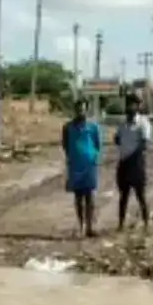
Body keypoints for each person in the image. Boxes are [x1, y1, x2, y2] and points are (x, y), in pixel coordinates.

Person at [61, 99, 102, 238]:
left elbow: (97, 144)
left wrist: (94, 156)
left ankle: (90, 226)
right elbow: (65, 144)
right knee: (78, 197)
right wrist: (73, 157)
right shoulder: (68, 127)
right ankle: (81, 226)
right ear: (75, 110)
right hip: (75, 166)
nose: (81, 112)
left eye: (83, 109)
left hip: (89, 165)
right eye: (79, 109)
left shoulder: (93, 127)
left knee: (90, 197)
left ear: (87, 110)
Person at [114, 95, 153, 231]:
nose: (130, 107)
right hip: (124, 163)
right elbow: (117, 139)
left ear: (138, 106)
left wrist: (131, 153)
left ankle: (147, 223)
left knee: (140, 195)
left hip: (136, 163)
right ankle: (121, 224)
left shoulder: (143, 123)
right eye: (129, 104)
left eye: (134, 104)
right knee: (123, 196)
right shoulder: (123, 124)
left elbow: (144, 143)